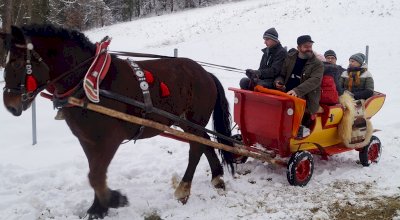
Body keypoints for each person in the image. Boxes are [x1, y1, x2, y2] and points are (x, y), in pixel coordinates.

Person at [274, 35, 324, 115]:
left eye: (310, 46)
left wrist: (296, 91)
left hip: (306, 99)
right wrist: (279, 81)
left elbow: (315, 80)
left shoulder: (317, 64)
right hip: (286, 94)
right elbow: (282, 75)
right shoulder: (290, 58)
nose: (309, 49)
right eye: (305, 46)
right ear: (298, 48)